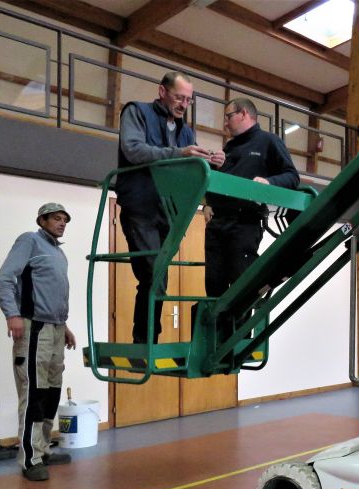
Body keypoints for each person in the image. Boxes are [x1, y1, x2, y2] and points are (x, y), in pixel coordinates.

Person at [116, 71, 225, 343]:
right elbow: (133, 150)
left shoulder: (185, 130)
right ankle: (146, 340)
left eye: (188, 100)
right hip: (140, 207)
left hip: (169, 213)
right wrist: (180, 153)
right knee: (153, 274)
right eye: (179, 97)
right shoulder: (136, 112)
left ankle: (148, 338)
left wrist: (211, 159)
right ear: (162, 91)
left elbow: (191, 167)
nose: (183, 105)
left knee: (158, 278)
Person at [0, 203, 77, 482]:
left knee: (51, 391)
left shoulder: (58, 251)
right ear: (41, 220)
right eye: (56, 218)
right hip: (33, 328)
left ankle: (42, 449)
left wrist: (63, 325)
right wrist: (12, 314)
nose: (62, 223)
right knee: (33, 392)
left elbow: (52, 292)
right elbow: (4, 279)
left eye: (65, 219)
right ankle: (30, 458)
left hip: (54, 329)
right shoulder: (29, 241)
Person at [204, 97, 299, 297]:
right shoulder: (228, 148)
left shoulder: (269, 141)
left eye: (229, 116)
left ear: (244, 114)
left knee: (241, 289)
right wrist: (208, 202)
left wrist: (269, 183)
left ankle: (241, 329)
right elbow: (222, 184)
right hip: (217, 225)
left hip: (244, 224)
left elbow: (292, 176)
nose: (225, 122)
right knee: (213, 288)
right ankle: (218, 328)